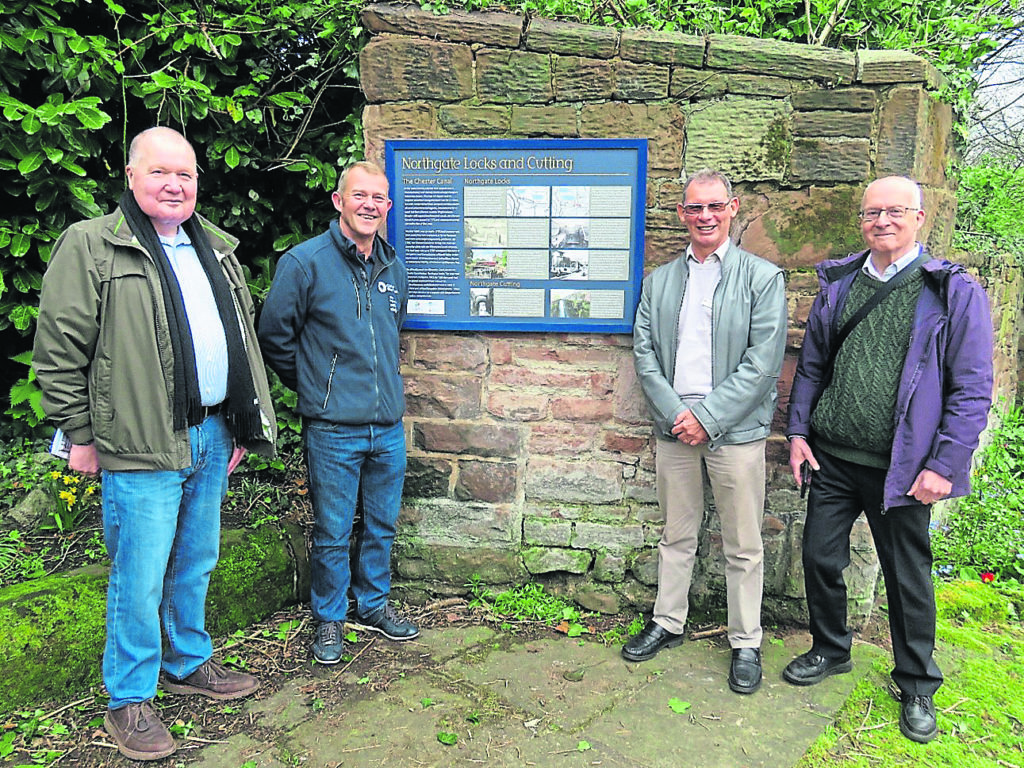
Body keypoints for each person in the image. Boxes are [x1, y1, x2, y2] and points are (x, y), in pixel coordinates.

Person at [33, 127, 277, 761]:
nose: (176, 184)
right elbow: (59, 351)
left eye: (187, 175)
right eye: (162, 172)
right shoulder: (91, 245)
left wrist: (242, 422)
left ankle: (187, 660)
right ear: (132, 175)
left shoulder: (213, 248)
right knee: (138, 575)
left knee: (195, 558)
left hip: (212, 431)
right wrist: (79, 435)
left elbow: (238, 340)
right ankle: (129, 700)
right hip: (138, 443)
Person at [784, 176, 993, 743]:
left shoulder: (953, 292)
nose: (882, 222)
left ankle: (918, 682)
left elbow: (972, 390)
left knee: (907, 576)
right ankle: (831, 649)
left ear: (920, 218)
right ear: (862, 221)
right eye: (872, 213)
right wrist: (798, 431)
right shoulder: (840, 284)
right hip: (832, 456)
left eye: (895, 212)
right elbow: (813, 367)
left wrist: (944, 466)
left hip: (905, 468)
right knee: (820, 558)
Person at [630, 169, 787, 694]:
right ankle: (668, 621)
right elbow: (646, 353)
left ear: (733, 208)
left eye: (714, 207)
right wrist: (680, 413)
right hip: (675, 426)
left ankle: (746, 641)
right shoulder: (659, 281)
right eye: (695, 208)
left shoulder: (762, 278)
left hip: (736, 432)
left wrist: (709, 418)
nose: (705, 216)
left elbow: (763, 363)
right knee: (676, 533)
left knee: (743, 544)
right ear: (682, 214)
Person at [258, 160, 415, 666]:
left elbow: (394, 334)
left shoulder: (393, 266)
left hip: (387, 425)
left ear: (387, 207)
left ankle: (372, 605)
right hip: (332, 429)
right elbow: (274, 337)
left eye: (379, 198)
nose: (370, 205)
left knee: (382, 523)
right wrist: (316, 389)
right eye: (360, 195)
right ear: (339, 201)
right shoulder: (304, 263)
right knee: (332, 530)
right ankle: (329, 618)